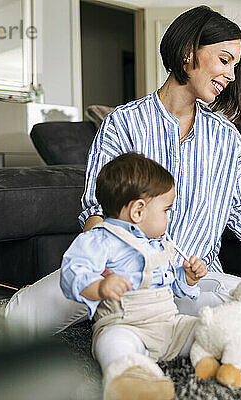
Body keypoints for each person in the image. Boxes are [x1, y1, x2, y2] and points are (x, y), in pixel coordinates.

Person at [5, 5, 241, 368]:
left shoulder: (227, 138)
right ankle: (123, 324)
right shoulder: (123, 123)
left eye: (235, 66)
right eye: (224, 60)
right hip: (122, 272)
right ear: (189, 52)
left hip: (192, 275)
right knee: (19, 318)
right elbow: (97, 209)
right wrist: (100, 263)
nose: (230, 75)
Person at [61, 153, 207, 400]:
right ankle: (132, 382)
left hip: (169, 326)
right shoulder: (100, 238)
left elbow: (171, 286)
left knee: (206, 328)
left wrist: (188, 278)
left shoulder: (157, 244)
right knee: (114, 347)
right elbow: (72, 271)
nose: (169, 218)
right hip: (125, 326)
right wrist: (99, 286)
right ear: (138, 210)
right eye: (166, 210)